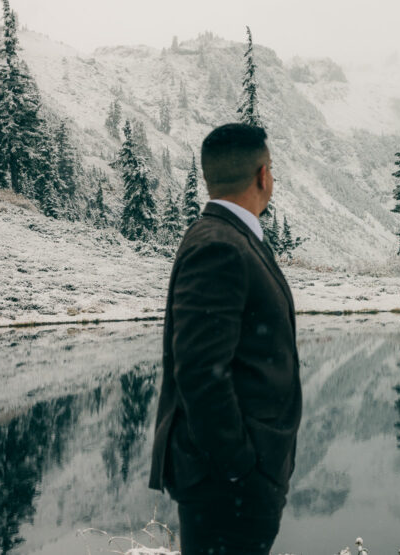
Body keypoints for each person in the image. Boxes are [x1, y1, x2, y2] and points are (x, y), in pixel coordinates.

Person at [148, 123, 301, 555]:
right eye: (271, 169)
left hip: (232, 485)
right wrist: (241, 467)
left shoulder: (227, 236)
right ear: (263, 176)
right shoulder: (221, 246)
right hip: (227, 488)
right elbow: (200, 371)